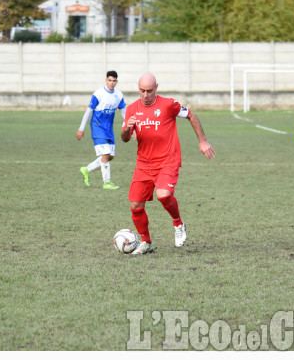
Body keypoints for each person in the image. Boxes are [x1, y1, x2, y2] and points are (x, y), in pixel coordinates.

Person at [121, 73, 216, 255]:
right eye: (142, 91)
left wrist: (202, 141)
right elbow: (125, 138)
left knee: (163, 195)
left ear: (156, 87)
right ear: (138, 89)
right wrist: (126, 128)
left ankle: (178, 223)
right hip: (143, 163)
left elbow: (191, 115)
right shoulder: (132, 109)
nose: (146, 95)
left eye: (149, 91)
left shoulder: (168, 104)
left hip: (167, 160)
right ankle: (147, 243)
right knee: (135, 206)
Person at [77, 70, 126, 190]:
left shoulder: (118, 95)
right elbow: (89, 111)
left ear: (117, 81)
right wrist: (81, 129)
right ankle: (107, 182)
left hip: (109, 129)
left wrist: (129, 127)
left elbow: (124, 112)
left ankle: (87, 169)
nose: (112, 83)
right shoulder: (98, 94)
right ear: (106, 80)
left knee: (110, 157)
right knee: (105, 154)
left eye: (114, 81)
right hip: (97, 127)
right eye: (110, 80)